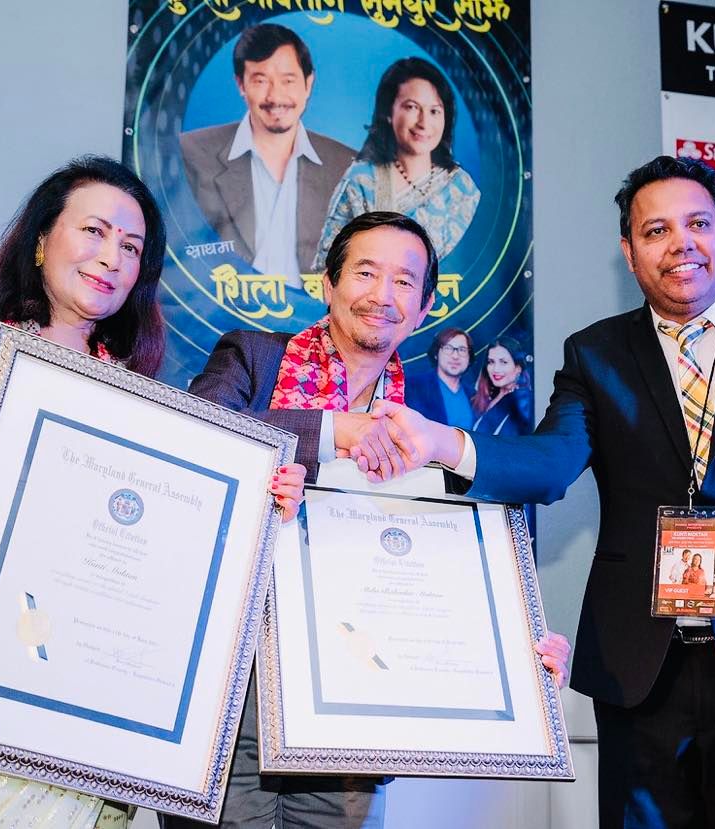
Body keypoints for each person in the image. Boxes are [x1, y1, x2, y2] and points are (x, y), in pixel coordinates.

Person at [366, 156, 715, 828]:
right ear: (630, 252)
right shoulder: (597, 354)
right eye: (656, 230)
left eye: (698, 224)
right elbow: (550, 464)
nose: (681, 244)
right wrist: (444, 443)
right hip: (639, 670)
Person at [0, 157, 306, 829]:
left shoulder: (149, 411)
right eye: (94, 231)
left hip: (80, 752)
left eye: (132, 247)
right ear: (40, 241)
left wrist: (264, 502)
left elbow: (167, 569)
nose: (112, 257)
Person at [178, 211, 569, 829]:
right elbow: (197, 435)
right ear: (328, 284)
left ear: (424, 307)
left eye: (404, 281)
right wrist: (336, 430)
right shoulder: (254, 357)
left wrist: (519, 647)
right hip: (229, 695)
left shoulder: (426, 418)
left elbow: (456, 556)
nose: (383, 295)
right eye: (365, 273)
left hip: (353, 710)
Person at [180, 23, 354, 284]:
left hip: (315, 308)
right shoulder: (190, 153)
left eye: (288, 80)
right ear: (241, 84)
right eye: (260, 80)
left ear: (308, 84)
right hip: (221, 306)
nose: (275, 96)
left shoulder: (347, 165)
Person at [313, 57, 480, 270]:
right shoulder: (363, 180)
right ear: (388, 113)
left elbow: (477, 264)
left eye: (434, 111)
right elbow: (327, 266)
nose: (423, 123)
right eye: (412, 107)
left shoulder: (461, 186)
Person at [404, 326, 473, 429]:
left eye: (462, 350)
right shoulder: (413, 387)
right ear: (436, 353)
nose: (455, 356)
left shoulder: (474, 396)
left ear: (469, 357)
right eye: (448, 348)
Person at [470, 336, 533, 437]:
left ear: (518, 368)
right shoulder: (485, 397)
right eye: (491, 362)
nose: (496, 369)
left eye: (503, 362)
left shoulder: (524, 402)